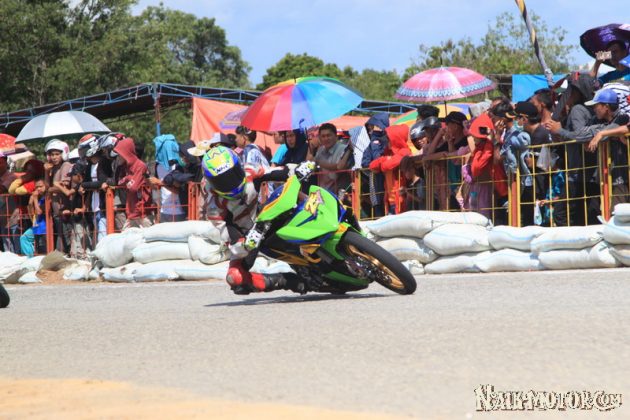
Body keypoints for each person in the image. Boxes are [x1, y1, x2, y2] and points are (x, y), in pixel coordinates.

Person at [201, 145, 310, 295]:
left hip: (267, 216)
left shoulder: (250, 170)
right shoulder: (214, 207)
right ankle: (285, 281)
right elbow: (229, 238)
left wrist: (298, 169)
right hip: (247, 237)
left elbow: (277, 171)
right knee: (235, 278)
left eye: (233, 174)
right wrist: (245, 244)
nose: (230, 183)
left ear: (239, 166)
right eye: (222, 181)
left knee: (289, 192)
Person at [544, 72, 597, 226]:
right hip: (585, 171)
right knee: (584, 214)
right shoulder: (586, 109)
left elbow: (581, 135)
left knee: (561, 214)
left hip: (578, 173)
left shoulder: (577, 110)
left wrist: (559, 130)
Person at [368, 125, 411, 214]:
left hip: (401, 201)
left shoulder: (405, 152)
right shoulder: (388, 153)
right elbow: (372, 166)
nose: (386, 140)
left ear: (396, 138)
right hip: (390, 201)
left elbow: (385, 166)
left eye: (389, 138)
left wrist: (385, 160)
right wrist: (385, 159)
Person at [113, 136, 153, 229]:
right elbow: (119, 182)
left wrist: (127, 180)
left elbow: (133, 187)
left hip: (143, 213)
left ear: (126, 153)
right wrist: (128, 179)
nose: (118, 157)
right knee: (125, 236)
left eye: (120, 154)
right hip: (131, 212)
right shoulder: (126, 167)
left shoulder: (140, 166)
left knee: (147, 236)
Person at [44, 139, 73, 253]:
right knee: (61, 239)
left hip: (64, 208)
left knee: (67, 239)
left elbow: (64, 186)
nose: (54, 157)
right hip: (56, 210)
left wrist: (50, 189)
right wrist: (46, 172)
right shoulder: (54, 168)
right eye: (52, 154)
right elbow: (47, 187)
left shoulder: (65, 165)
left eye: (57, 154)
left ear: (63, 154)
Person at [466, 113, 495, 218]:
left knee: (484, 216)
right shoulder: (480, 146)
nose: (472, 138)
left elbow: (476, 168)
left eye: (474, 136)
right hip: (478, 186)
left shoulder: (488, 146)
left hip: (486, 186)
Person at [154, 134, 185, 222]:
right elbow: (157, 188)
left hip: (179, 211)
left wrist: (161, 183)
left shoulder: (179, 166)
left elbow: (179, 190)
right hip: (164, 210)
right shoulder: (158, 166)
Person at [313, 123, 353, 192]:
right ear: (320, 138)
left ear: (336, 136)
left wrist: (321, 163)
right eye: (323, 136)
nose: (326, 138)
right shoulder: (320, 150)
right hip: (321, 191)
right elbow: (311, 166)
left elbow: (339, 167)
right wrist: (310, 147)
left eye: (328, 135)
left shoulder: (343, 149)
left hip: (338, 192)